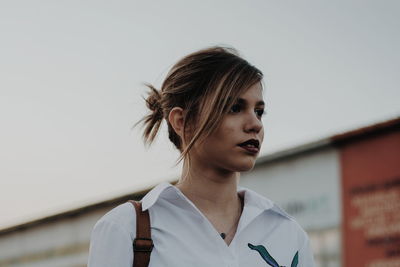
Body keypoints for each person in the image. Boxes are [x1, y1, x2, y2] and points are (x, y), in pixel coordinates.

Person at [88, 46, 315, 267]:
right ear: (182, 122)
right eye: (234, 108)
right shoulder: (125, 228)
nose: (255, 124)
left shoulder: (289, 235)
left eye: (259, 111)